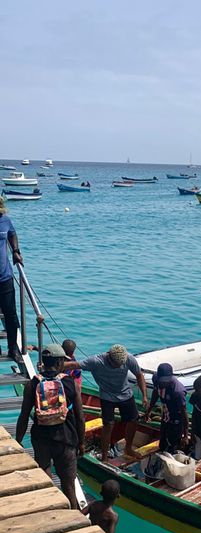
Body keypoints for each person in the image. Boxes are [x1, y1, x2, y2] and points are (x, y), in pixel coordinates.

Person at [16, 343, 85, 509]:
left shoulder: (32, 385)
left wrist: (18, 441)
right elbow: (80, 417)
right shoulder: (70, 384)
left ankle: (50, 509)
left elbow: (24, 415)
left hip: (41, 439)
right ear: (60, 362)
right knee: (68, 485)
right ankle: (74, 516)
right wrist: (81, 443)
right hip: (66, 440)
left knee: (46, 479)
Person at [65, 344, 148, 462]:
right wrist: (51, 367)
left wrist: (145, 396)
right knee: (108, 425)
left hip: (125, 394)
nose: (120, 366)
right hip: (107, 396)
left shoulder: (128, 359)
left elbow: (139, 375)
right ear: (109, 357)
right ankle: (104, 457)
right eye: (117, 365)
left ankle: (128, 448)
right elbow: (74, 364)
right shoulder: (95, 361)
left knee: (133, 420)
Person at [145, 363, 188, 454]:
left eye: (166, 381)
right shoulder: (156, 379)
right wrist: (148, 411)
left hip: (176, 419)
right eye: (162, 381)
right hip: (165, 414)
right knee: (162, 442)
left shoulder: (178, 392)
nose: (163, 383)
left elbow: (184, 414)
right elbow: (155, 393)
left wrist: (185, 435)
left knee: (172, 445)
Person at [0, 195, 22, 359]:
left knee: (10, 313)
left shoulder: (5, 220)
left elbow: (12, 234)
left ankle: (13, 347)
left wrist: (15, 251)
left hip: (4, 275)